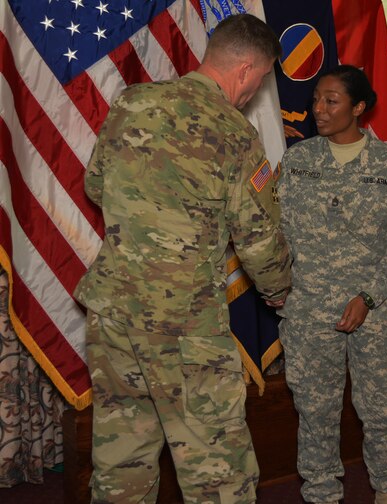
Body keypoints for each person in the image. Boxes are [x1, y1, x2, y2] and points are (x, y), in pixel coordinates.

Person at [73, 14, 291, 504]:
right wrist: (279, 291)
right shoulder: (234, 134)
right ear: (245, 70)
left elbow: (94, 183)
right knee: (217, 469)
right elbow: (257, 240)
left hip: (113, 313)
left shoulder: (133, 102)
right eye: (259, 81)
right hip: (184, 325)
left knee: (121, 459)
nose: (256, 92)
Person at [277, 64, 387, 504]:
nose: (318, 109)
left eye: (331, 101)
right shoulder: (298, 161)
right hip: (308, 312)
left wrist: (368, 296)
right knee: (316, 411)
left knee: (381, 407)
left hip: (373, 313)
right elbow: (275, 233)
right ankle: (321, 493)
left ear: (358, 108)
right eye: (316, 99)